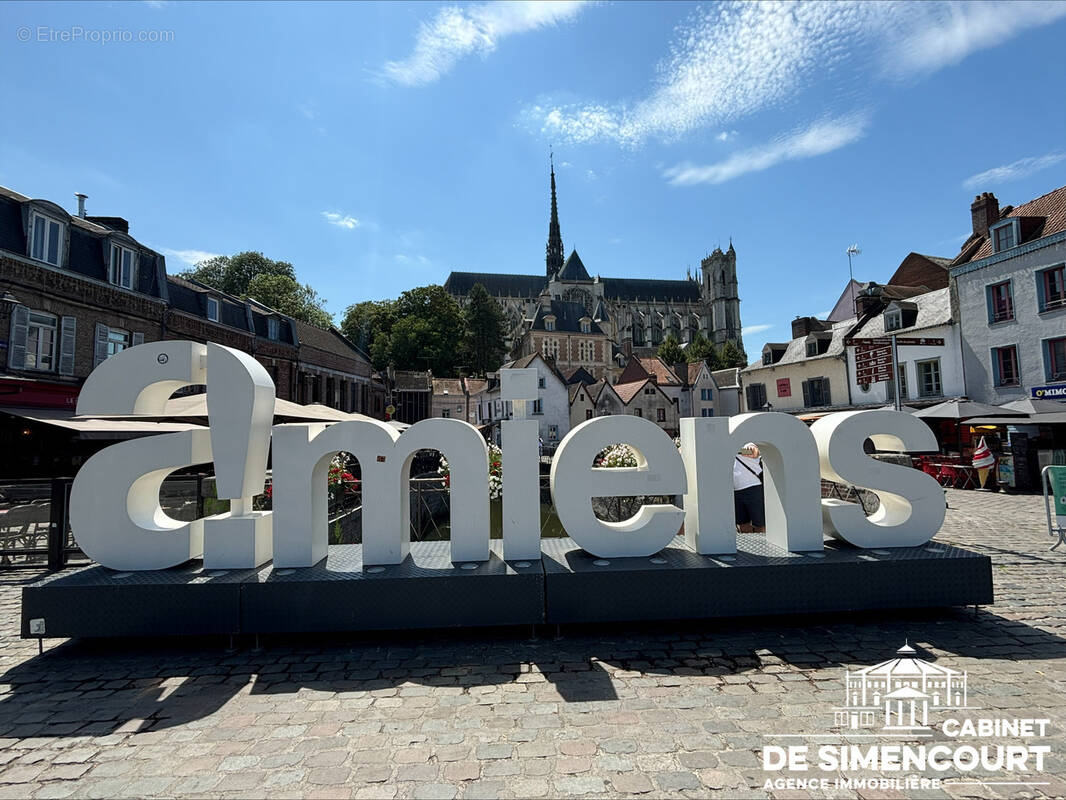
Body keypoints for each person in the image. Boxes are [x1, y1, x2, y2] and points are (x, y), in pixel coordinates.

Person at [733, 443, 765, 533]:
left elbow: (754, 452)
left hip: (753, 488)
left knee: (760, 524)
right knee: (742, 524)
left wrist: (735, 448)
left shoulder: (748, 442)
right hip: (735, 490)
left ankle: (761, 546)